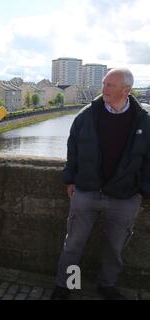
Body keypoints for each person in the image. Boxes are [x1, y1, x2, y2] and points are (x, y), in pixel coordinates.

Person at [51, 68, 150, 300]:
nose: (103, 89)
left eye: (109, 85)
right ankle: (66, 285)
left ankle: (107, 285)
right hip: (87, 191)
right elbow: (72, 148)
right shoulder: (87, 114)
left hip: (125, 196)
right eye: (104, 84)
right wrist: (70, 178)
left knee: (115, 248)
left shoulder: (144, 120)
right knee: (74, 244)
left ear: (126, 90)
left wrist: (142, 190)